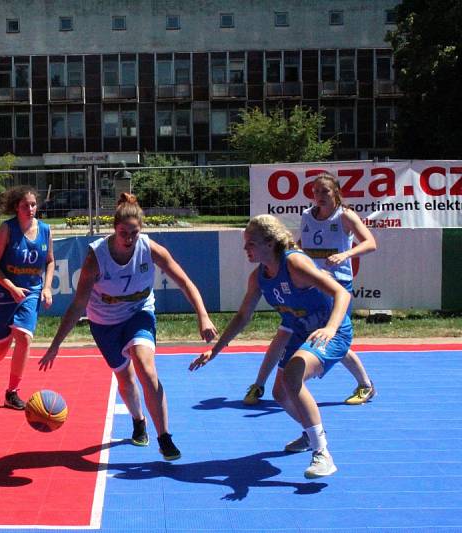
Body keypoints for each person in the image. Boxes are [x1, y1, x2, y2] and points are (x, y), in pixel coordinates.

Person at [39, 193, 218, 461]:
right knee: (125, 377)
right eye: (123, 232)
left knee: (146, 368)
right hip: (104, 322)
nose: (129, 238)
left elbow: (185, 282)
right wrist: (55, 345)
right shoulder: (96, 256)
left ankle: (165, 437)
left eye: (134, 232)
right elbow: (78, 305)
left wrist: (202, 315)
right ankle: (138, 421)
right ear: (114, 229)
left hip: (138, 314)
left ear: (141, 230)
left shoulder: (150, 249)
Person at [190, 214, 353, 478]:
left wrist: (331, 328)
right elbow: (243, 317)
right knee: (280, 394)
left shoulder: (296, 264)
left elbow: (341, 293)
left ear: (269, 243)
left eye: (250, 243)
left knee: (292, 376)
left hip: (330, 331)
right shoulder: (259, 278)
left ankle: (322, 452)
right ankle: (311, 433)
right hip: (301, 332)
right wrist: (215, 349)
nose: (245, 249)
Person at [242, 173, 377, 406]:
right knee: (285, 333)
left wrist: (346, 254)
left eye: (325, 191)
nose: (319, 196)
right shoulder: (307, 216)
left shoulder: (345, 216)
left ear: (335, 192)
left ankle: (365, 385)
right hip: (306, 285)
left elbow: (370, 243)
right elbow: (301, 244)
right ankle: (259, 384)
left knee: (329, 336)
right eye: (315, 191)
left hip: (336, 283)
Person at [0, 185, 55, 410]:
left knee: (24, 337)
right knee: (1, 346)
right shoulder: (7, 230)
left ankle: (12, 392)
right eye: (25, 205)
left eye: (33, 204)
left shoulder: (46, 230)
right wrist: (10, 286)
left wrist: (47, 288)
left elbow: (49, 261)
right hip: (3, 292)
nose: (30, 209)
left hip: (30, 292)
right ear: (16, 208)